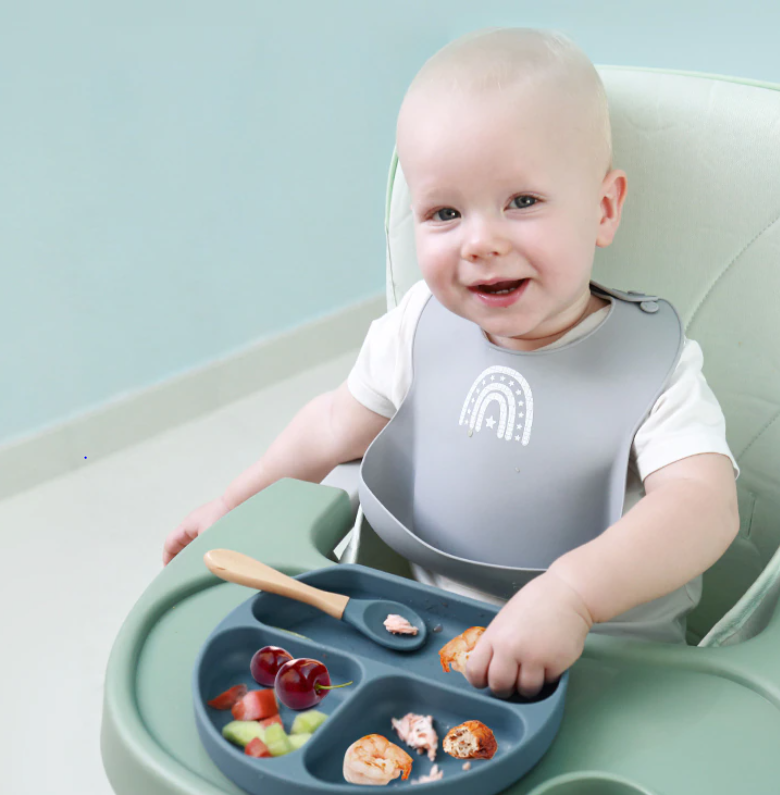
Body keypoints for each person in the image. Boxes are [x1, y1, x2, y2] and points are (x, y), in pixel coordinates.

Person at [163, 28, 740, 699]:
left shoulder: (652, 366)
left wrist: (573, 596)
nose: (480, 242)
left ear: (603, 208)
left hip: (609, 664)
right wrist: (233, 502)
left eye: (521, 202)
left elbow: (703, 506)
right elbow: (328, 427)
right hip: (426, 642)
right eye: (443, 212)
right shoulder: (415, 330)